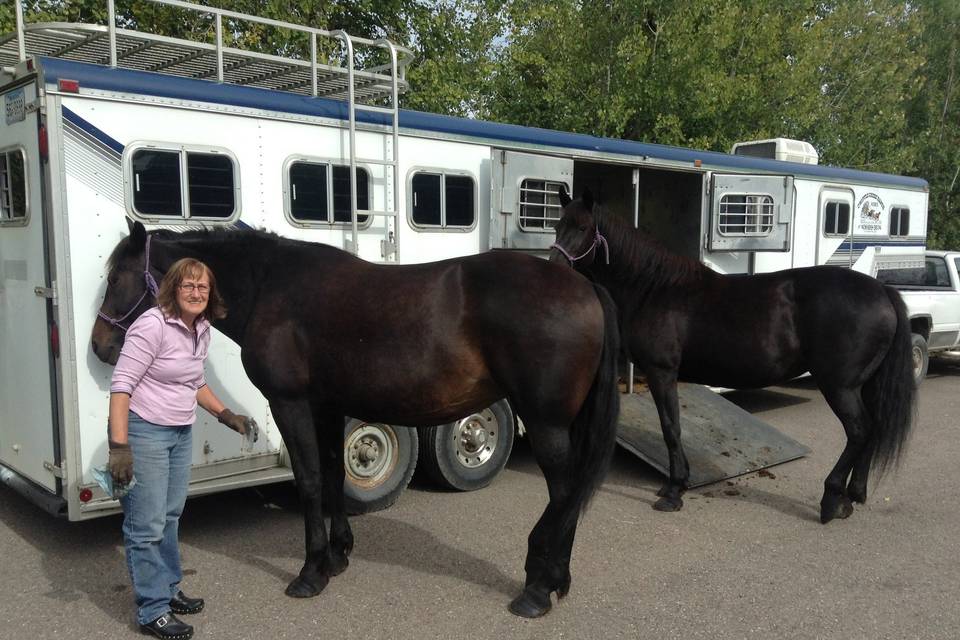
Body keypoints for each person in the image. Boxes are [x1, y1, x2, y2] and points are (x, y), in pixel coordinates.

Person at [107, 258, 257, 640]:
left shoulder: (201, 329)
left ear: (211, 294)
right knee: (146, 525)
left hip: (179, 432)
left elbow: (194, 381)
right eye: (188, 286)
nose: (195, 293)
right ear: (173, 288)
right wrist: (120, 446)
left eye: (202, 287)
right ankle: (152, 609)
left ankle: (169, 587)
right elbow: (122, 385)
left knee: (171, 515)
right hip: (146, 432)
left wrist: (226, 414)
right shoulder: (152, 325)